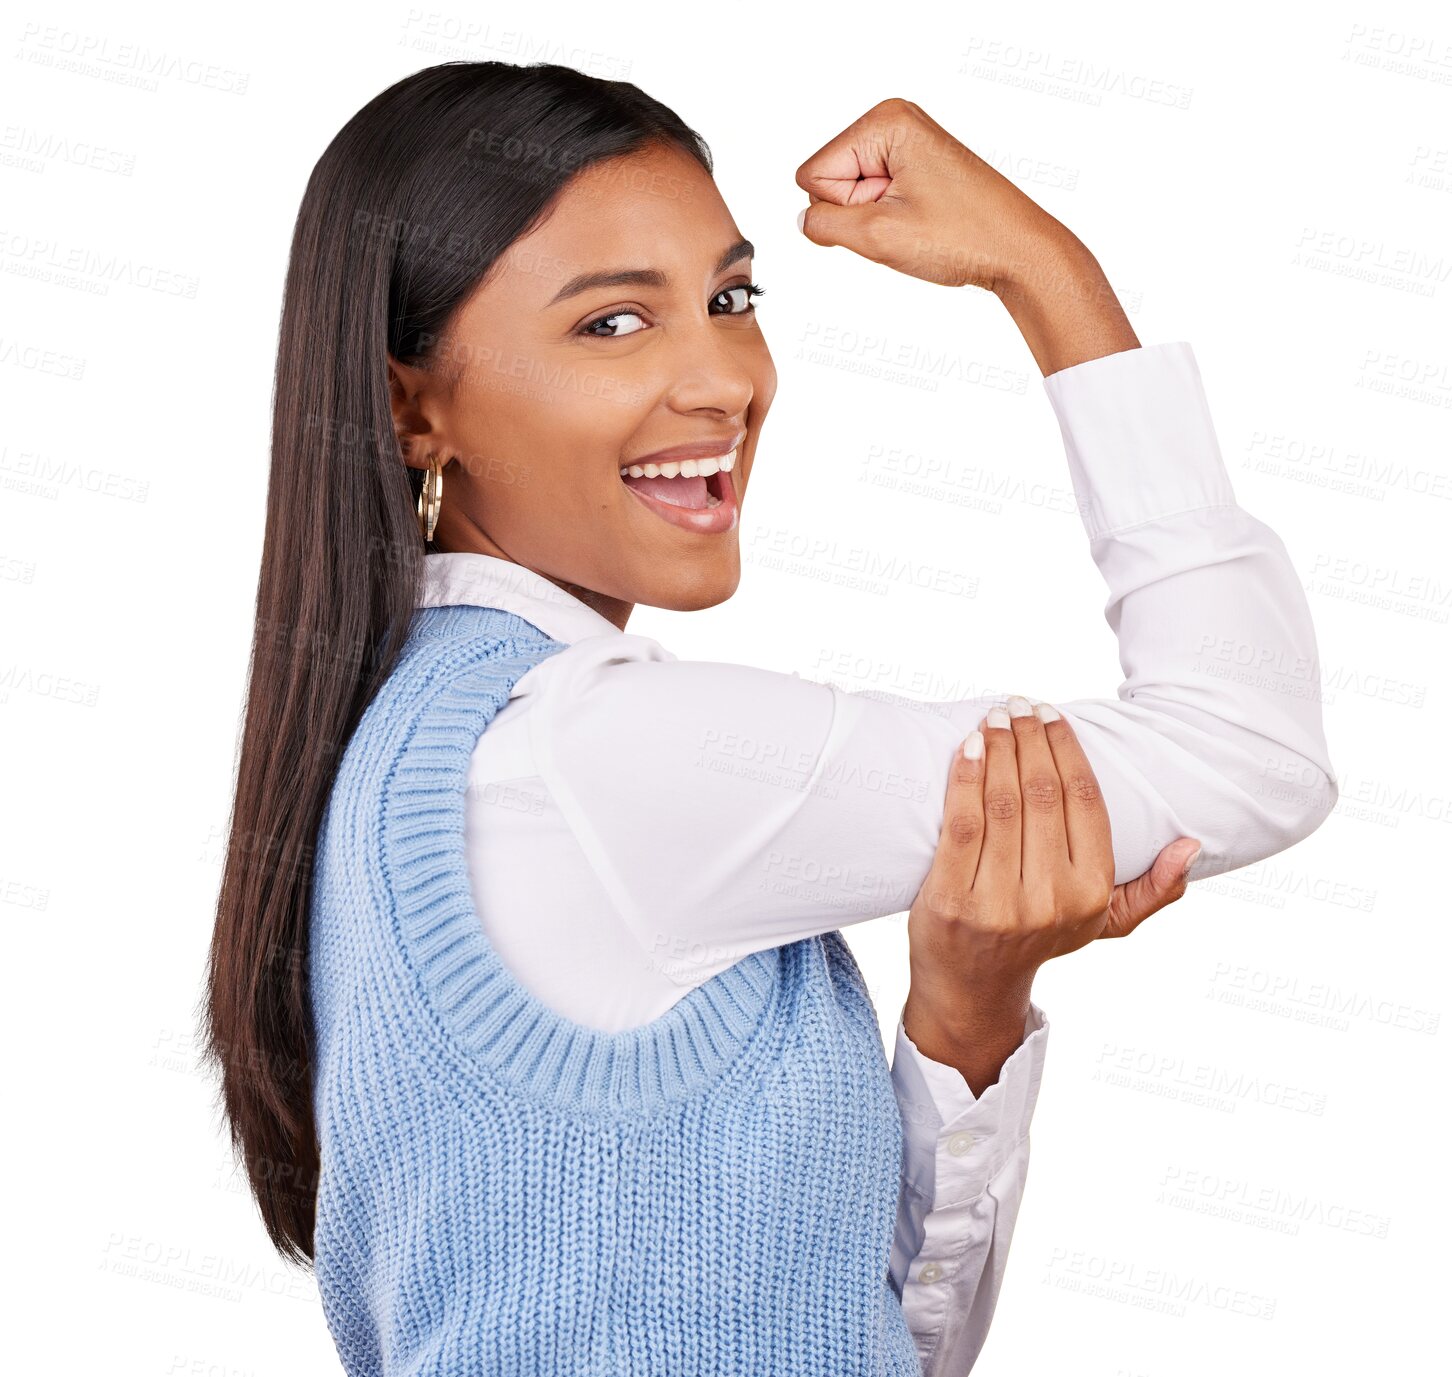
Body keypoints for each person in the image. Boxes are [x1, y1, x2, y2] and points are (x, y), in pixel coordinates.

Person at [202, 65, 1337, 1376]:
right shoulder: (600, 755)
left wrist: (964, 1018)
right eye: (613, 324)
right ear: (415, 407)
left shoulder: (414, 740)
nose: (722, 380)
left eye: (730, 299)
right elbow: (1249, 749)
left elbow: (833, 1340)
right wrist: (1047, 270)